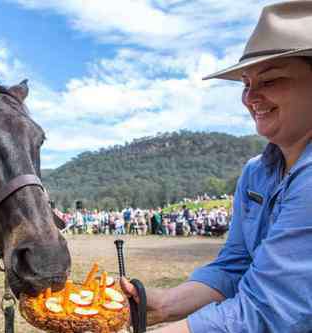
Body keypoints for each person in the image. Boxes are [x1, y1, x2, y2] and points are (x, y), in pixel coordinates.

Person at [120, 2, 312, 332]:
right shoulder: (256, 172)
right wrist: (165, 305)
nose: (250, 97)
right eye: (245, 83)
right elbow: (236, 265)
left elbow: (270, 310)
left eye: (270, 80)